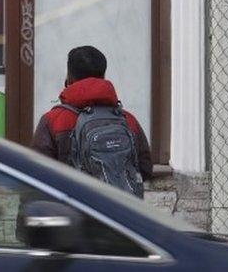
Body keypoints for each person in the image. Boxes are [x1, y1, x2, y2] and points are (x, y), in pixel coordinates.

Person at [31, 45, 152, 181]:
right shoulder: (128, 120)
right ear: (104, 76)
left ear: (69, 77)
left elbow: (38, 172)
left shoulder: (53, 120)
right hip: (116, 201)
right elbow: (145, 169)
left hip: (72, 201)